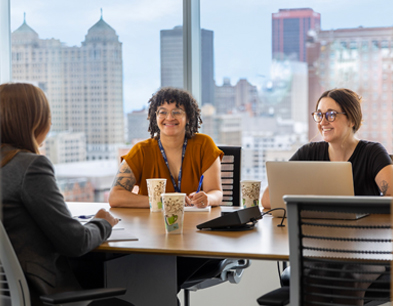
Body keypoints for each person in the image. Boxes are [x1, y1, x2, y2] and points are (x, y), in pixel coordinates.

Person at [0, 83, 124, 305]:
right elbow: (75, 242)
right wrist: (102, 223)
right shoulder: (30, 167)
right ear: (35, 121)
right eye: (47, 116)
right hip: (41, 295)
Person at [262, 88, 393, 209]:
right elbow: (267, 198)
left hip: (363, 232)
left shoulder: (372, 153)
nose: (323, 122)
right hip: (316, 230)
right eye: (319, 115)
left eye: (331, 115)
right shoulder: (308, 153)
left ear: (351, 120)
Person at [109, 87, 223, 208]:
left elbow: (216, 192)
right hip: (151, 225)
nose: (169, 118)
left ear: (188, 117)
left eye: (177, 112)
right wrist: (163, 201)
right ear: (155, 116)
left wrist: (207, 198)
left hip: (197, 223)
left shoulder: (204, 145)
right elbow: (115, 197)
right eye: (163, 112)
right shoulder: (141, 151)